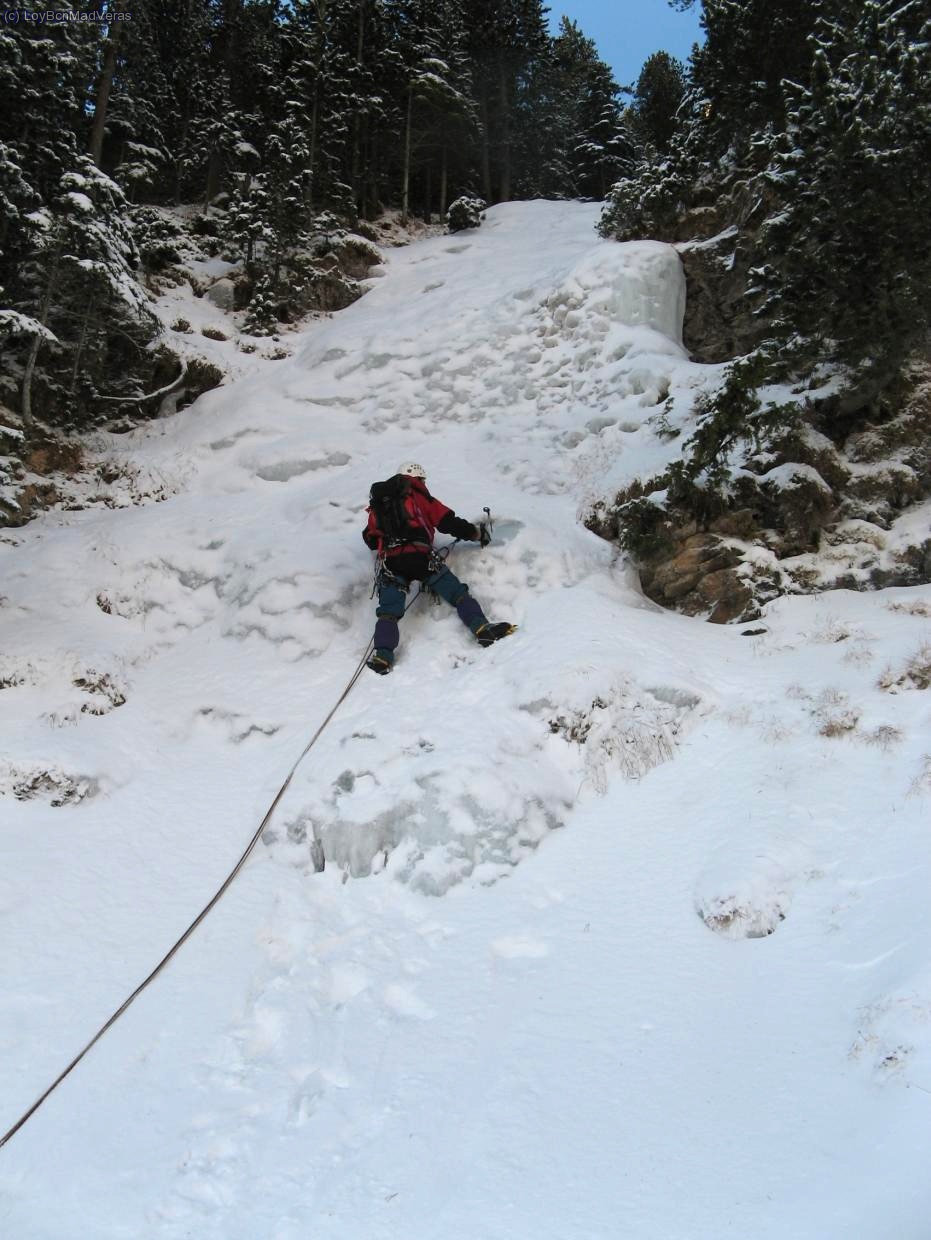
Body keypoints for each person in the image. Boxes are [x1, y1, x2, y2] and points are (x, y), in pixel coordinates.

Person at [363, 463, 514, 674]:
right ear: (418, 478)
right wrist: (477, 534)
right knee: (456, 593)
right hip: (419, 557)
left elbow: (370, 537)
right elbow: (447, 522)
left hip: (392, 561)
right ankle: (482, 629)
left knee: (388, 612)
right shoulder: (416, 494)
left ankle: (383, 656)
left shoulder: (381, 502)